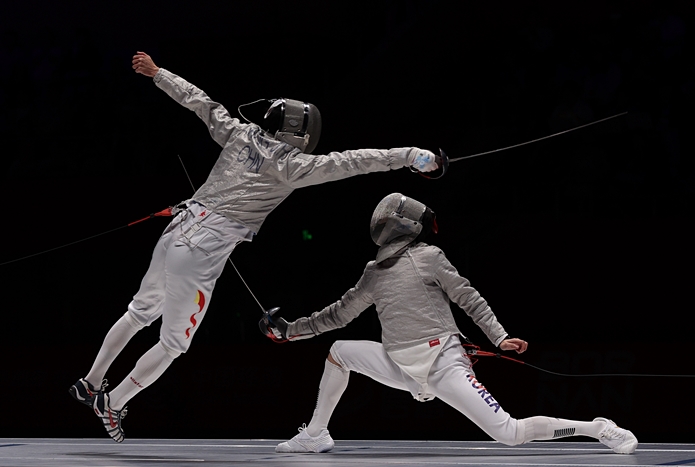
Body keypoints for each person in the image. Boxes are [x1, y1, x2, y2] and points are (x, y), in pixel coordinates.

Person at [68, 52, 440, 443]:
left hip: (176, 230)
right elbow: (352, 161)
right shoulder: (293, 167)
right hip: (198, 252)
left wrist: (159, 73)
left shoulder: (239, 134)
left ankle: (90, 382)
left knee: (139, 311)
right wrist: (411, 157)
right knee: (174, 343)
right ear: (298, 133)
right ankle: (112, 403)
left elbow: (202, 103)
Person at [266, 193, 638, 455]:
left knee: (509, 434)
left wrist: (499, 336)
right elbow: (338, 314)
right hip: (400, 365)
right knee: (339, 352)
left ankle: (597, 427)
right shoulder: (374, 272)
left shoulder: (429, 256)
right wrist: (289, 330)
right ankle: (316, 433)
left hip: (443, 364)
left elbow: (467, 296)